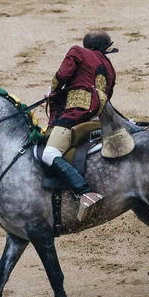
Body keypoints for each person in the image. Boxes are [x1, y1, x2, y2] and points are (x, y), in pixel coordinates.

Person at [42, 30, 117, 221]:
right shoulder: (109, 67)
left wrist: (52, 90)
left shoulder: (78, 51)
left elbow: (62, 74)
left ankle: (85, 193)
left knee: (49, 154)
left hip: (75, 113)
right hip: (95, 118)